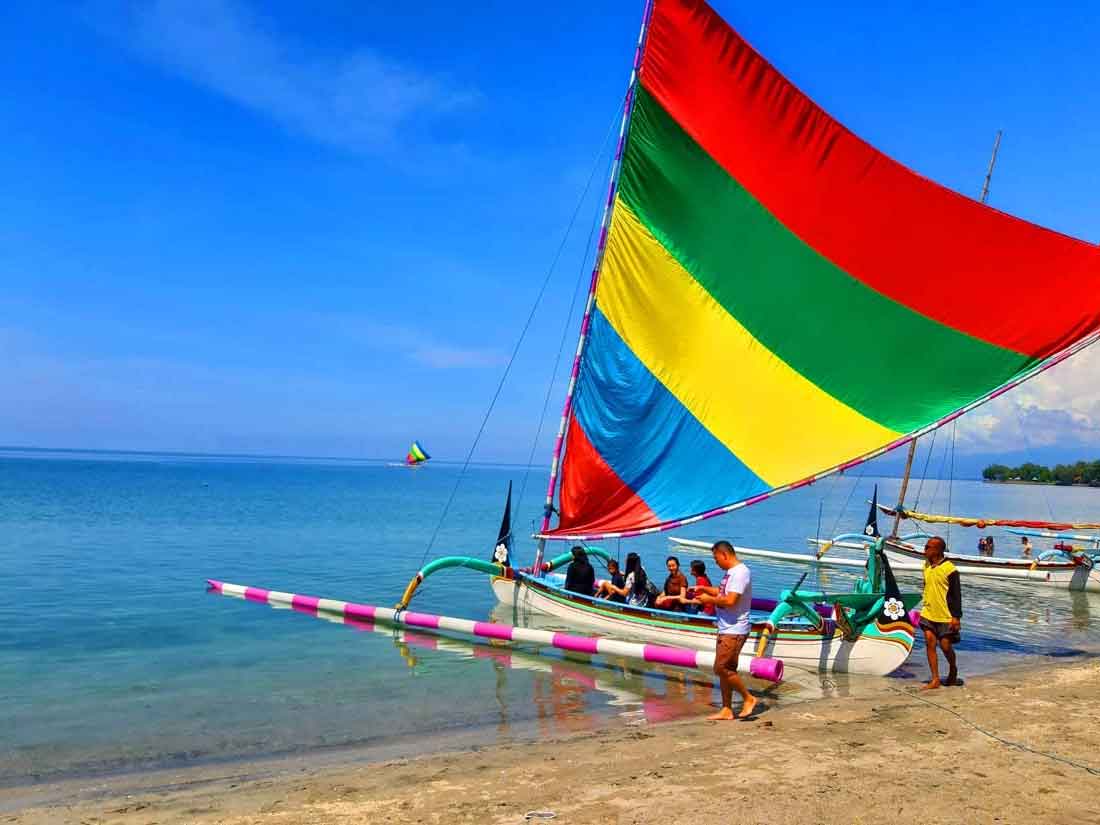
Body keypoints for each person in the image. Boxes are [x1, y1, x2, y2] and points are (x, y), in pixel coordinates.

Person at [692, 541, 756, 720]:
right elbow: (723, 592)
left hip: (735, 629)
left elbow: (730, 601)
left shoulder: (740, 572)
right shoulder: (731, 573)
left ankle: (748, 698)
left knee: (721, 668)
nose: (716, 563)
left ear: (724, 555)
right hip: (725, 626)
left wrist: (708, 600)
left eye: (716, 558)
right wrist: (705, 589)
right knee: (727, 669)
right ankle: (727, 709)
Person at [919, 536, 962, 690]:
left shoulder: (950, 569)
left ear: (937, 550)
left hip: (945, 615)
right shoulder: (926, 565)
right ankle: (935, 679)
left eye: (927, 547)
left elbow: (956, 595)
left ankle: (953, 668)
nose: (924, 550)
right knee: (930, 642)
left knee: (945, 646)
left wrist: (956, 617)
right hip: (928, 613)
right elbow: (926, 585)